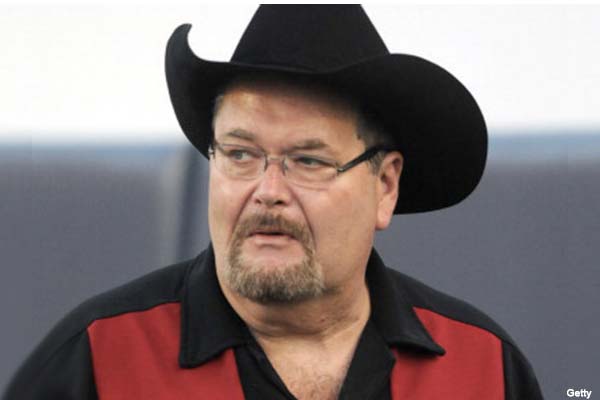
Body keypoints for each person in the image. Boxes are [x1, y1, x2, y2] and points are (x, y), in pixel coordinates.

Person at [4, 5, 543, 400]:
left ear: (384, 185)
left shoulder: (483, 366)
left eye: (308, 161)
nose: (268, 190)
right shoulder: (100, 358)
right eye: (240, 154)